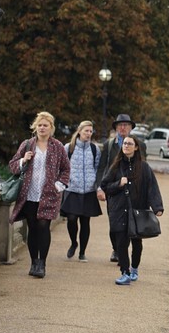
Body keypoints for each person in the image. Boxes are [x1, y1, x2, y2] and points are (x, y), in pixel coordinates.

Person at [8, 111, 71, 278]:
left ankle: (42, 263)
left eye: (45, 125)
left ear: (51, 128)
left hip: (49, 194)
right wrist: (24, 160)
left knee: (44, 226)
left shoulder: (57, 146)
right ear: (35, 127)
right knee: (33, 228)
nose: (42, 128)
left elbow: (66, 169)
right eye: (40, 125)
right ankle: (33, 262)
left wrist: (59, 185)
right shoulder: (27, 144)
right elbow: (12, 165)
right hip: (28, 194)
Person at [100, 135, 164, 286]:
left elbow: (152, 187)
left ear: (136, 147)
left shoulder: (144, 167)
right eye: (124, 143)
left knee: (137, 242)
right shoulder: (116, 166)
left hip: (138, 210)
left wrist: (157, 207)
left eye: (129, 144)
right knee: (121, 243)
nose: (126, 146)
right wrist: (118, 184)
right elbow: (105, 186)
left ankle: (134, 268)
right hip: (119, 210)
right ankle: (125, 273)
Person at [61, 120, 103, 261]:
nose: (89, 134)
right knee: (72, 218)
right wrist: (65, 181)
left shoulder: (94, 148)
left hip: (89, 190)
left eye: (91, 131)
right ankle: (74, 243)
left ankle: (82, 252)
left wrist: (97, 185)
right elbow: (62, 167)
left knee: (85, 222)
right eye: (86, 131)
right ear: (79, 131)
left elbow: (98, 169)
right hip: (73, 189)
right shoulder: (69, 147)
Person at [96, 113, 135, 263]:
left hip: (130, 189)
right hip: (112, 189)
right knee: (114, 222)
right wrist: (100, 188)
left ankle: (122, 251)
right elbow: (101, 168)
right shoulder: (109, 145)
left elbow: (142, 167)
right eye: (120, 125)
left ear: (130, 127)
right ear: (117, 128)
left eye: (126, 125)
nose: (123, 127)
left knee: (129, 222)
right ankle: (116, 248)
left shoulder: (139, 145)